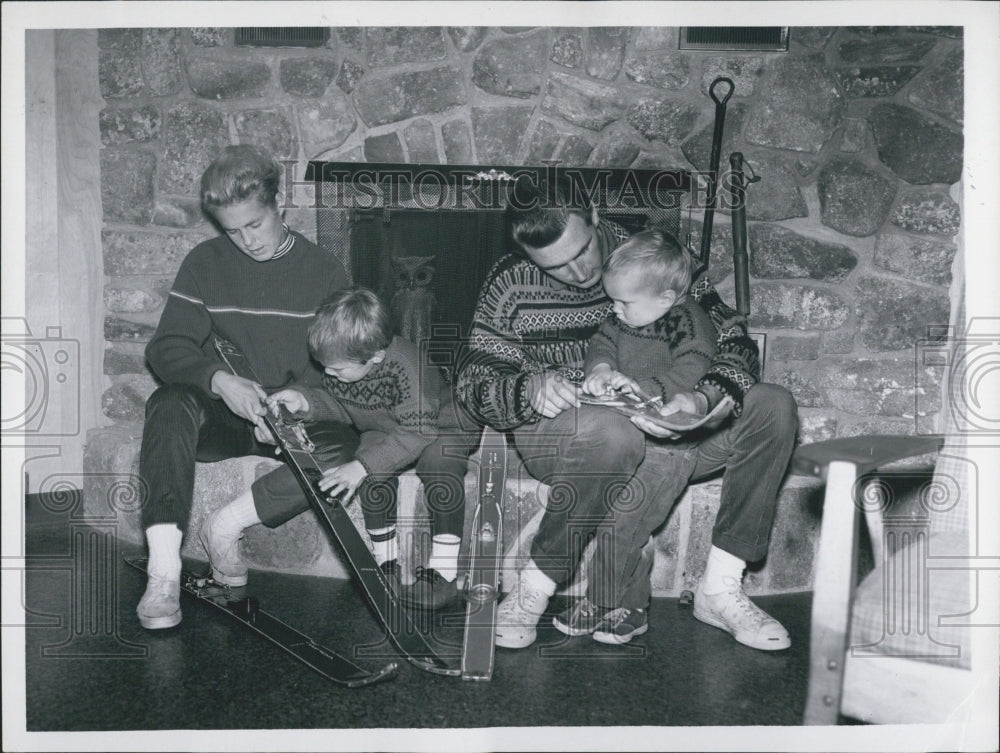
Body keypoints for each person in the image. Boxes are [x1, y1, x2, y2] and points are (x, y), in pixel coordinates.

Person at [454, 173, 797, 651]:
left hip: (672, 424)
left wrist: (702, 399)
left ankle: (721, 587)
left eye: (582, 251)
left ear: (595, 217)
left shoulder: (654, 257)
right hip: (572, 432)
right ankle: (534, 588)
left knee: (773, 404)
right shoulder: (507, 282)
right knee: (613, 432)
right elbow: (471, 382)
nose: (577, 274)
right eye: (554, 267)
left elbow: (733, 338)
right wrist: (526, 387)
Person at [137, 144, 351, 630]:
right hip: (229, 419)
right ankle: (164, 571)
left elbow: (337, 367)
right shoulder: (204, 263)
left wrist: (294, 410)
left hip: (293, 422)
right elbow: (165, 348)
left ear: (280, 205)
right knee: (168, 402)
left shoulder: (325, 271)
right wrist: (219, 381)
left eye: (255, 224)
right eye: (232, 231)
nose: (247, 241)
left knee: (346, 448)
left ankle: (223, 529)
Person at [202, 288, 475, 612]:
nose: (330, 375)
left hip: (444, 425)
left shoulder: (406, 367)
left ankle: (444, 573)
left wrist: (361, 466)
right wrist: (305, 401)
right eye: (326, 368)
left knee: (437, 463)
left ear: (374, 356)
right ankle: (385, 564)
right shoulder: (345, 364)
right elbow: (346, 407)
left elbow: (419, 431)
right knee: (372, 470)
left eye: (338, 370)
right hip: (386, 426)